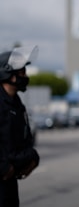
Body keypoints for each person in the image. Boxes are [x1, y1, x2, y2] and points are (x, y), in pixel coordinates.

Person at [0, 46, 40, 207]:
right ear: (8, 73)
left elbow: (23, 137)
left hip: (10, 180)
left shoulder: (16, 103)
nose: (25, 76)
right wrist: (3, 167)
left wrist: (32, 158)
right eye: (21, 72)